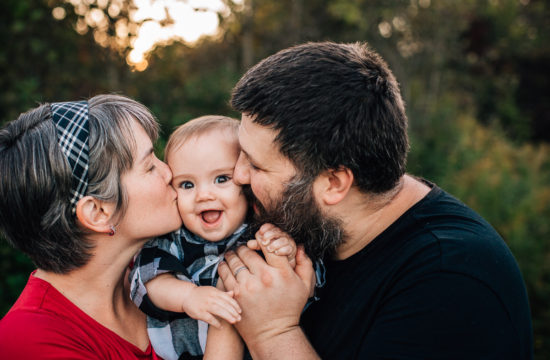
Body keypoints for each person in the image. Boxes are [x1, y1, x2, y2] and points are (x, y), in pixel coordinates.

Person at [215, 41, 534, 359]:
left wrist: (272, 333)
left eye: (256, 164)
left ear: (333, 183)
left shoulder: (451, 282)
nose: (238, 174)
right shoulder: (304, 221)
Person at [0, 94, 183, 359]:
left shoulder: (162, 270)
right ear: (97, 212)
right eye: (149, 166)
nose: (169, 173)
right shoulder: (29, 341)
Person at [128, 116, 321, 360]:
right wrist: (188, 296)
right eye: (187, 184)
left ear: (244, 180)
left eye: (221, 179)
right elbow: (149, 281)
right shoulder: (171, 239)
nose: (204, 195)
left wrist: (287, 252)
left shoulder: (264, 230)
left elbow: (304, 284)